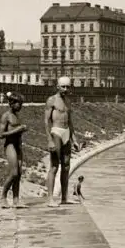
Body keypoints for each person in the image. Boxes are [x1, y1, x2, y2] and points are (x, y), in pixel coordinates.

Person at [44, 76, 75, 207]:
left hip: (66, 132)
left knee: (66, 166)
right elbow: (46, 121)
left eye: (67, 86)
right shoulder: (52, 100)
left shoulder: (68, 101)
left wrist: (75, 139)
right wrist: (49, 140)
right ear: (58, 87)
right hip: (56, 131)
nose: (65, 89)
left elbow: (70, 121)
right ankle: (50, 198)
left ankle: (64, 197)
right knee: (54, 166)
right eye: (63, 86)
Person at [0, 92, 27, 209]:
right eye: (18, 104)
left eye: (21, 104)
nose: (20, 106)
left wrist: (22, 130)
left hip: (18, 145)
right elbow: (0, 134)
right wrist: (18, 129)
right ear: (11, 103)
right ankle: (3, 196)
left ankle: (16, 199)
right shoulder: (6, 116)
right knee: (14, 173)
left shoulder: (16, 115)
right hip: (10, 145)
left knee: (19, 174)